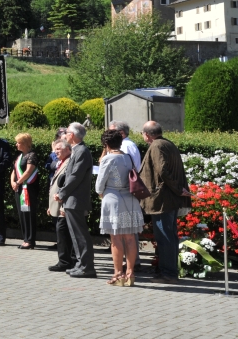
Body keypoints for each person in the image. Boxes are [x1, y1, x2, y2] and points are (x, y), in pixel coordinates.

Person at [139, 120, 191, 284]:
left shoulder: (157, 146)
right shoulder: (168, 144)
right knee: (170, 236)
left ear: (147, 134)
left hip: (162, 200)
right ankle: (169, 271)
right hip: (168, 198)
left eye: (142, 133)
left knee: (165, 237)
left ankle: (168, 273)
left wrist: (178, 189)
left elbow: (162, 170)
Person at [96, 129, 145, 286]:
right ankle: (130, 273)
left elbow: (99, 185)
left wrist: (101, 193)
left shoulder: (107, 159)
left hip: (113, 199)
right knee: (130, 237)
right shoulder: (128, 157)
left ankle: (118, 274)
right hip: (130, 198)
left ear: (106, 144)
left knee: (116, 238)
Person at [55, 122, 97, 278]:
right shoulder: (77, 150)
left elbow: (75, 176)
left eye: (66, 132)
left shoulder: (81, 151)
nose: (64, 135)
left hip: (76, 198)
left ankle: (87, 267)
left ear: (71, 135)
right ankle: (80, 264)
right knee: (75, 234)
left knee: (80, 234)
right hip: (72, 198)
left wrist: (62, 193)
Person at [48, 139, 76, 272]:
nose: (55, 151)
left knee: (63, 233)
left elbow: (69, 186)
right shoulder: (62, 162)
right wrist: (51, 206)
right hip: (58, 205)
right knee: (62, 233)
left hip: (64, 206)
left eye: (58, 149)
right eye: (55, 149)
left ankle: (65, 261)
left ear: (68, 149)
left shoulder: (70, 162)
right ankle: (67, 260)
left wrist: (64, 207)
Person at [11, 133, 39, 249]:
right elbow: (14, 171)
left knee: (29, 213)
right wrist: (13, 182)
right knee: (22, 213)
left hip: (28, 189)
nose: (16, 145)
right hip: (19, 188)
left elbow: (28, 172)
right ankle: (25, 238)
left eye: (19, 143)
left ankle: (30, 240)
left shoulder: (32, 156)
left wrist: (18, 182)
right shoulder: (20, 156)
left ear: (25, 144)